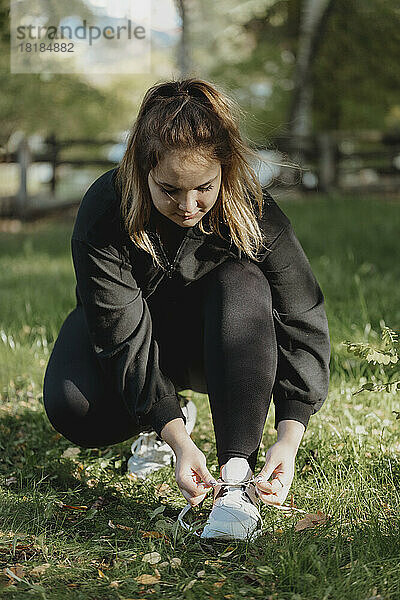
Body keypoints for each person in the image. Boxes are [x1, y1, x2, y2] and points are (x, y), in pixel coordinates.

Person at [43, 77, 331, 542]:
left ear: (225, 169)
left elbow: (303, 318)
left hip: (219, 344)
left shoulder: (255, 210)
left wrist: (289, 433)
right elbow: (119, 331)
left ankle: (237, 478)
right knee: (73, 406)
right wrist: (174, 436)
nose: (188, 204)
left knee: (242, 280)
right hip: (132, 332)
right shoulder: (104, 209)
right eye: (170, 189)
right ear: (142, 170)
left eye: (203, 187)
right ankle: (160, 419)